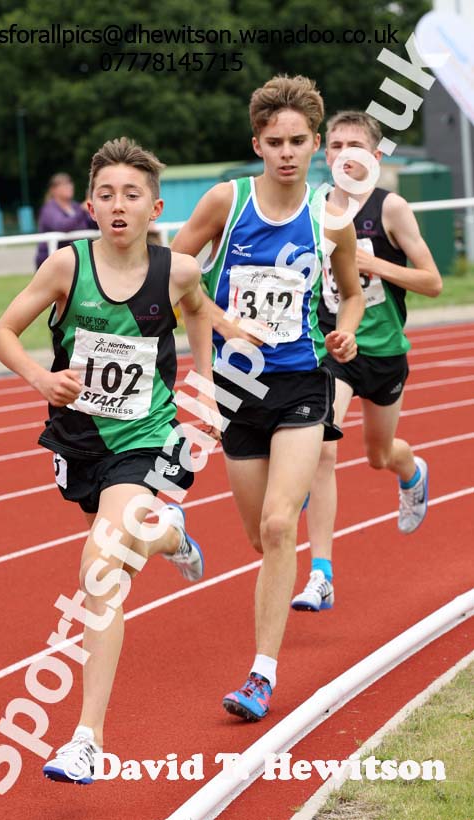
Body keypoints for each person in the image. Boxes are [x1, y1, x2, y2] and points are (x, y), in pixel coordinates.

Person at [0, 137, 220, 781]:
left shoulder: (176, 270)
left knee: (100, 570)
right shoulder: (66, 267)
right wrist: (43, 378)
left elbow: (199, 316)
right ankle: (172, 534)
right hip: (80, 440)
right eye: (108, 194)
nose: (119, 205)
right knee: (129, 542)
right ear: (90, 206)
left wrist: (205, 390)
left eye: (133, 195)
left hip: (144, 440)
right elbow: (1, 333)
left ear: (155, 207)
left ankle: (86, 738)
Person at [172, 76, 364, 721]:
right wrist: (214, 340)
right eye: (274, 141)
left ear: (317, 146)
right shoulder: (226, 202)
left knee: (283, 525)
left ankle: (260, 675)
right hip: (237, 388)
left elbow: (353, 290)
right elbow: (172, 273)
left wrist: (347, 331)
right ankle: (243, 512)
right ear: (257, 143)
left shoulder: (331, 218)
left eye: (298, 142)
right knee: (261, 539)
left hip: (303, 383)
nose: (286, 152)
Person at [291, 110, 442, 614]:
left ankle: (411, 470)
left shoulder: (390, 208)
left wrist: (373, 262)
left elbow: (433, 282)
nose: (343, 155)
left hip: (385, 353)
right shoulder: (310, 209)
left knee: (379, 454)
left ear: (374, 157)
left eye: (354, 146)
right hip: (332, 348)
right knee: (324, 446)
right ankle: (321, 574)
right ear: (324, 153)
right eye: (334, 146)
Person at [34, 172, 97, 270]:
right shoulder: (49, 209)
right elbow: (62, 226)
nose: (69, 187)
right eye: (64, 184)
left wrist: (95, 209)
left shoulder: (75, 207)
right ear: (53, 190)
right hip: (53, 263)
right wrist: (82, 210)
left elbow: (92, 225)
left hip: (75, 261)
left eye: (70, 183)